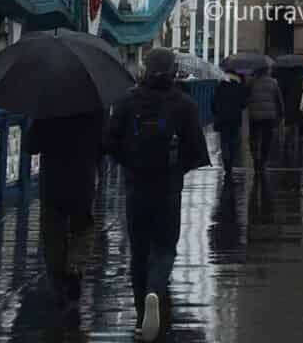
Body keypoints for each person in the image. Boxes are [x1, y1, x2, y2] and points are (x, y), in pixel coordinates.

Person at [106, 48, 209, 342]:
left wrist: (129, 163)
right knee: (164, 248)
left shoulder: (126, 101)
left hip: (136, 186)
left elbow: (109, 141)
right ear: (174, 71)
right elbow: (196, 150)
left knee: (139, 252)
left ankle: (141, 316)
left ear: (145, 70)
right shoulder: (185, 104)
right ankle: (155, 289)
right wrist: (177, 171)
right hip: (168, 189)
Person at [25, 110, 104, 322]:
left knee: (52, 235)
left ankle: (59, 287)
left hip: (52, 183)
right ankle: (75, 267)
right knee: (84, 227)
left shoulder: (47, 110)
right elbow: (105, 144)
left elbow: (29, 146)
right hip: (83, 180)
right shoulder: (94, 110)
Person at [246, 65, 285, 170]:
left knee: (254, 138)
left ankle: (255, 159)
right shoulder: (273, 82)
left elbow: (245, 96)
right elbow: (279, 99)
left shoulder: (251, 82)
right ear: (267, 71)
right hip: (269, 116)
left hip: (254, 115)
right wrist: (281, 113)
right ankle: (263, 161)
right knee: (267, 139)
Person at [211, 73, 247, 172]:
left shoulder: (219, 88)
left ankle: (226, 160)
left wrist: (217, 113)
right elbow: (244, 104)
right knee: (234, 140)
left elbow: (214, 103)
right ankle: (231, 160)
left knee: (224, 141)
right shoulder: (238, 88)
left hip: (222, 119)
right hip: (235, 119)